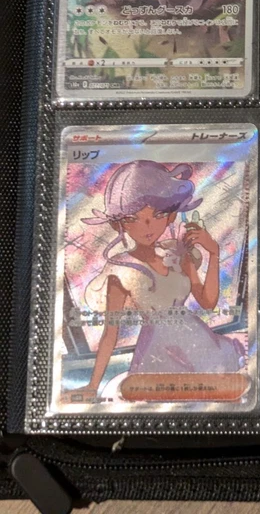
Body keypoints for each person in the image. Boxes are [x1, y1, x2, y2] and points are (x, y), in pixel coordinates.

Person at [71, 160, 243, 401]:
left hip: (199, 341)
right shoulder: (121, 270)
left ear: (170, 215)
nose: (148, 225)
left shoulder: (177, 253)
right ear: (119, 223)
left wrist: (214, 253)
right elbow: (110, 333)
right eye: (134, 218)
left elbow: (208, 302)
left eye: (158, 214)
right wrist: (92, 386)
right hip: (159, 350)